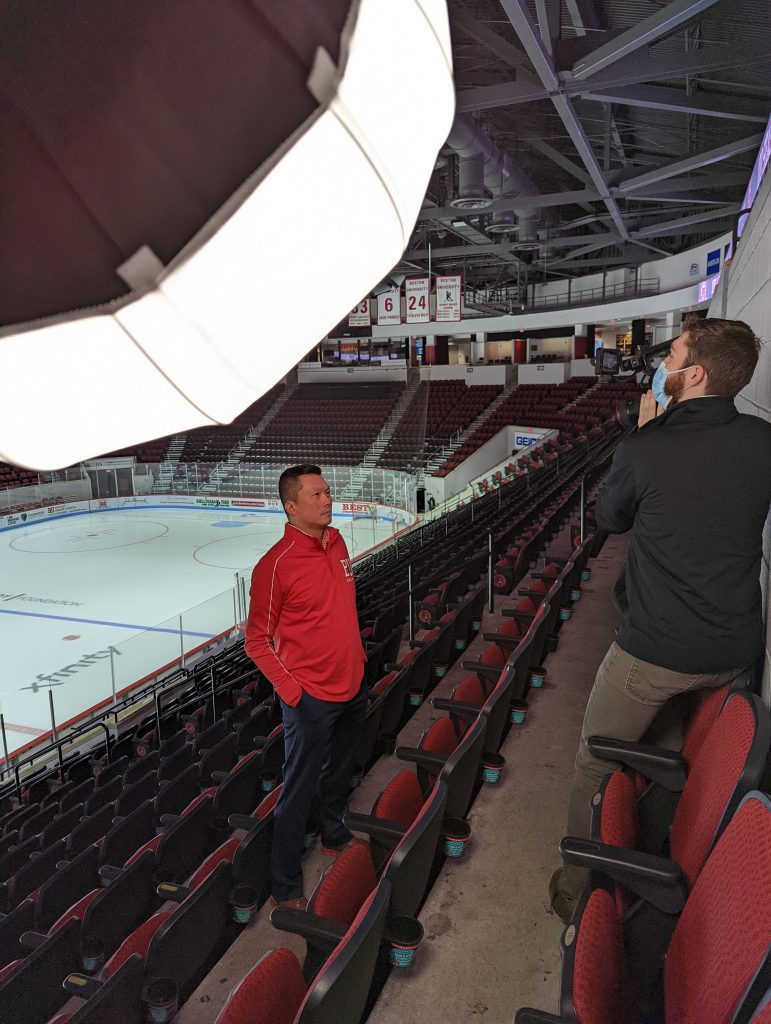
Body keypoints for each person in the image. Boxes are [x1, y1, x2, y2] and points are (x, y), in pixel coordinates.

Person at [549, 317, 771, 924]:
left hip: (653, 653)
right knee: (683, 757)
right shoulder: (763, 439)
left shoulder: (646, 447)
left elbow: (611, 519)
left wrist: (652, 436)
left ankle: (578, 891)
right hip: (735, 652)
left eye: (672, 354)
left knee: (595, 756)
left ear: (693, 374)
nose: (662, 364)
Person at [245, 464, 367, 910]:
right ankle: (286, 884)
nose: (327, 500)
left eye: (328, 492)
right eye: (316, 495)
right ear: (291, 506)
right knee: (297, 791)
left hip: (352, 684)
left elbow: (342, 610)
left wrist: (358, 659)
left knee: (338, 772)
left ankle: (334, 834)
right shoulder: (273, 566)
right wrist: (293, 693)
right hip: (310, 698)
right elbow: (256, 641)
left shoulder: (336, 542)